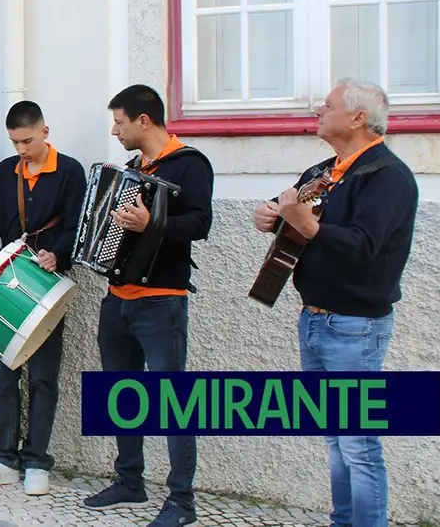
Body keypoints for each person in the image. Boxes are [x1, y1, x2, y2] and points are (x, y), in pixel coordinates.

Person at [253, 80, 417, 527]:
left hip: (356, 326)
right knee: (335, 438)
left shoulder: (387, 176)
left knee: (359, 443)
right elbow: (291, 209)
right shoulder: (325, 171)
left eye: (328, 105)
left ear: (359, 118)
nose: (318, 110)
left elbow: (365, 245)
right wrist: (270, 214)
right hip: (316, 319)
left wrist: (310, 227)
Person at [82, 84, 213, 527]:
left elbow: (200, 223)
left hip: (162, 302)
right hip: (117, 299)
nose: (114, 129)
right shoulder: (133, 170)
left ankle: (182, 502)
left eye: (119, 121)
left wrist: (151, 222)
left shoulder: (191, 165)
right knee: (122, 395)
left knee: (174, 402)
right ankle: (130, 481)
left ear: (143, 120)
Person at [0, 100, 86, 494]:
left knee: (44, 377)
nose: (22, 150)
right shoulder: (4, 171)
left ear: (45, 132)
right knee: (3, 376)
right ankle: (2, 459)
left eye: (27, 141)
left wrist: (57, 253)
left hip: (46, 284)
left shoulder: (69, 171)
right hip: (7, 281)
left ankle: (37, 462)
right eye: (15, 143)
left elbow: (79, 225)